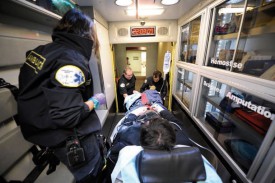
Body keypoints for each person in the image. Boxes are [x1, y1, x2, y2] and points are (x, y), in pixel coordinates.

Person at [17, 9, 106, 183]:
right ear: (88, 34)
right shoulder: (71, 60)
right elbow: (68, 115)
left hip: (47, 134)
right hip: (73, 138)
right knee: (93, 174)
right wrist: (94, 101)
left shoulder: (41, 52)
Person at [111, 118, 223, 183]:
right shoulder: (195, 156)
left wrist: (134, 114)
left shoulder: (128, 154)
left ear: (141, 141)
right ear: (174, 139)